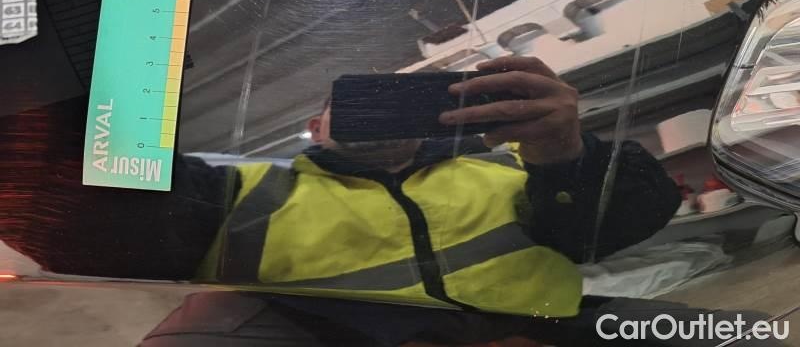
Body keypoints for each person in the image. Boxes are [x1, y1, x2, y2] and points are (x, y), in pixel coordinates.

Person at [2, 56, 681, 346]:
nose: (375, 118)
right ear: (316, 127)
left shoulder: (509, 167)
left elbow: (629, 222)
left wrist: (564, 149)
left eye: (395, 104)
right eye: (352, 108)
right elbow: (78, 217)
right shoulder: (242, 194)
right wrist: (84, 76)